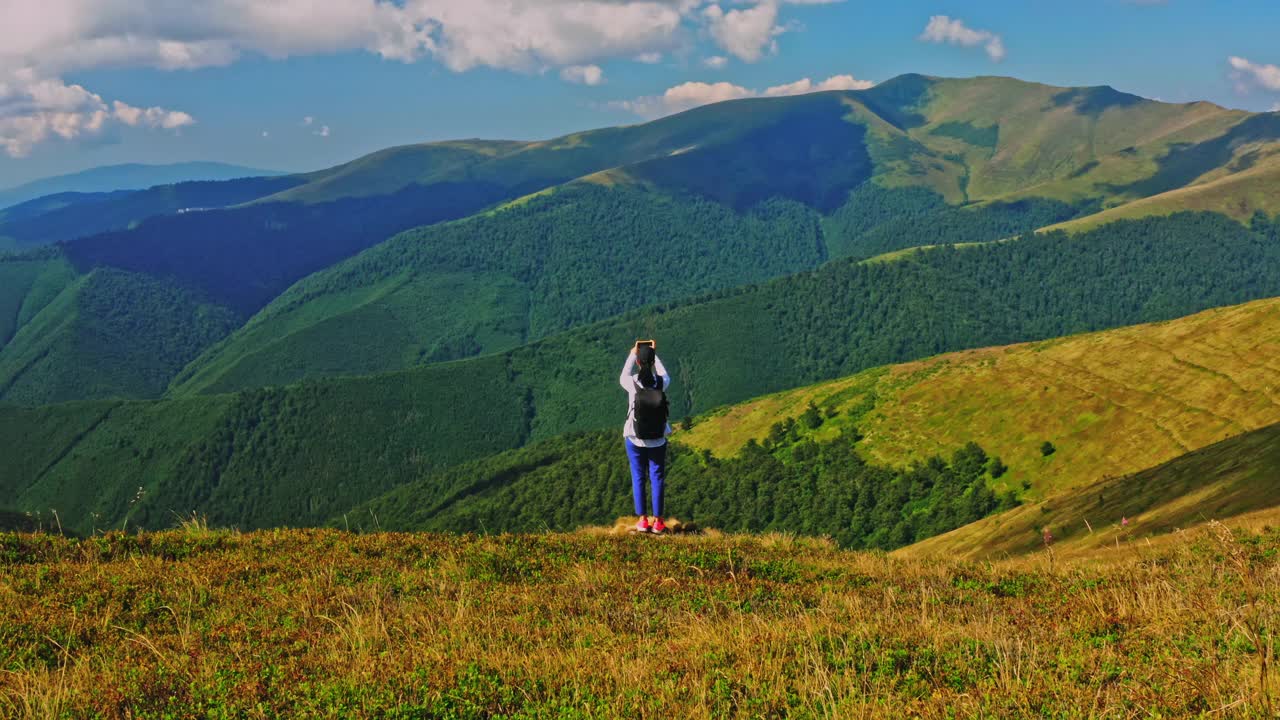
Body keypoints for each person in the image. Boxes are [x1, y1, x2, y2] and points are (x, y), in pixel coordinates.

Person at [620, 342, 671, 534]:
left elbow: (623, 374)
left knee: (638, 476)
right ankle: (658, 522)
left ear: (639, 362)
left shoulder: (631, 382)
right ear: (651, 362)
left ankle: (643, 521)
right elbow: (664, 372)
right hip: (658, 438)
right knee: (657, 477)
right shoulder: (661, 382)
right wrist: (654, 354)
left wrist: (633, 353)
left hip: (634, 437)